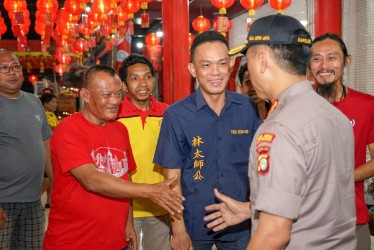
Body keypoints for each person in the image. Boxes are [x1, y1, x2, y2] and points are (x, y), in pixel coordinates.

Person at [204, 14, 357, 249]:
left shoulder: (279, 130)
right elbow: (316, 195)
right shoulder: (334, 116)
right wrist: (252, 210)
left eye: (249, 58)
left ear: (262, 60)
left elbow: (274, 235)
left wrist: (265, 223)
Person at [43, 65, 184, 250]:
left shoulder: (120, 130)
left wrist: (128, 223)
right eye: (106, 95)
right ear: (85, 95)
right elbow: (90, 179)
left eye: (118, 94)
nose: (115, 101)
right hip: (74, 241)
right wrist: (150, 191)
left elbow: (126, 177)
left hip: (116, 241)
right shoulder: (68, 129)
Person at [153, 30, 261, 250]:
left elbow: (259, 164)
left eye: (221, 64)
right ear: (193, 69)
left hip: (240, 223)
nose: (215, 73)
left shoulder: (248, 108)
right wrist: (179, 229)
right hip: (194, 223)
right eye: (206, 65)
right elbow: (172, 177)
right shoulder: (176, 115)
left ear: (231, 65)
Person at [310, 33, 374, 250]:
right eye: (316, 58)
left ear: (347, 60)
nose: (324, 65)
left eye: (332, 57)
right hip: (307, 221)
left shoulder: (367, 105)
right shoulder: (296, 105)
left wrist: (342, 177)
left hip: (352, 218)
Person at [0, 48, 53, 249]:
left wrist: (54, 187)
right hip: (3, 201)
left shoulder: (33, 102)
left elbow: (46, 145)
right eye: (4, 68)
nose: (12, 72)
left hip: (33, 200)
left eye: (15, 67)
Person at [117, 54, 170, 250]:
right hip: (123, 208)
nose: (143, 83)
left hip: (160, 205)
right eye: (134, 78)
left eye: (147, 77)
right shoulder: (114, 115)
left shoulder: (168, 113)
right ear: (123, 85)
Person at [40, 93, 59, 209]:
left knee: (51, 177)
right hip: (45, 151)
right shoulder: (46, 115)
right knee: (47, 178)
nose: (56, 104)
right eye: (53, 102)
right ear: (46, 104)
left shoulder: (51, 114)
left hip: (50, 150)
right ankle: (37, 199)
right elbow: (51, 132)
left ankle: (49, 200)